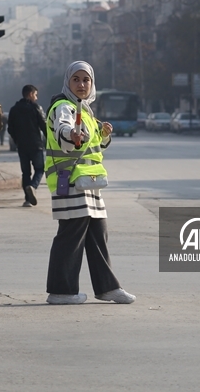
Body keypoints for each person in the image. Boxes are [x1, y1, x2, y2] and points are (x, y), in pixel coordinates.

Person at [44, 61, 135, 306]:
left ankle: (108, 288)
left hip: (90, 184)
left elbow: (94, 144)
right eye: (76, 79)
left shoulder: (85, 110)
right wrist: (70, 134)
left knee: (98, 235)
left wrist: (104, 134)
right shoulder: (64, 106)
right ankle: (61, 291)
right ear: (68, 82)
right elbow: (64, 130)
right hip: (71, 181)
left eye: (86, 80)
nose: (82, 85)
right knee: (70, 236)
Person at [7, 84, 46, 207]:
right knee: (39, 169)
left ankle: (27, 199)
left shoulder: (14, 109)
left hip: (22, 146)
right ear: (30, 94)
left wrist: (17, 140)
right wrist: (50, 140)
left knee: (26, 172)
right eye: (35, 94)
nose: (36, 97)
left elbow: (10, 129)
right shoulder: (36, 108)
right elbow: (43, 125)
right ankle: (33, 187)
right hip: (36, 145)